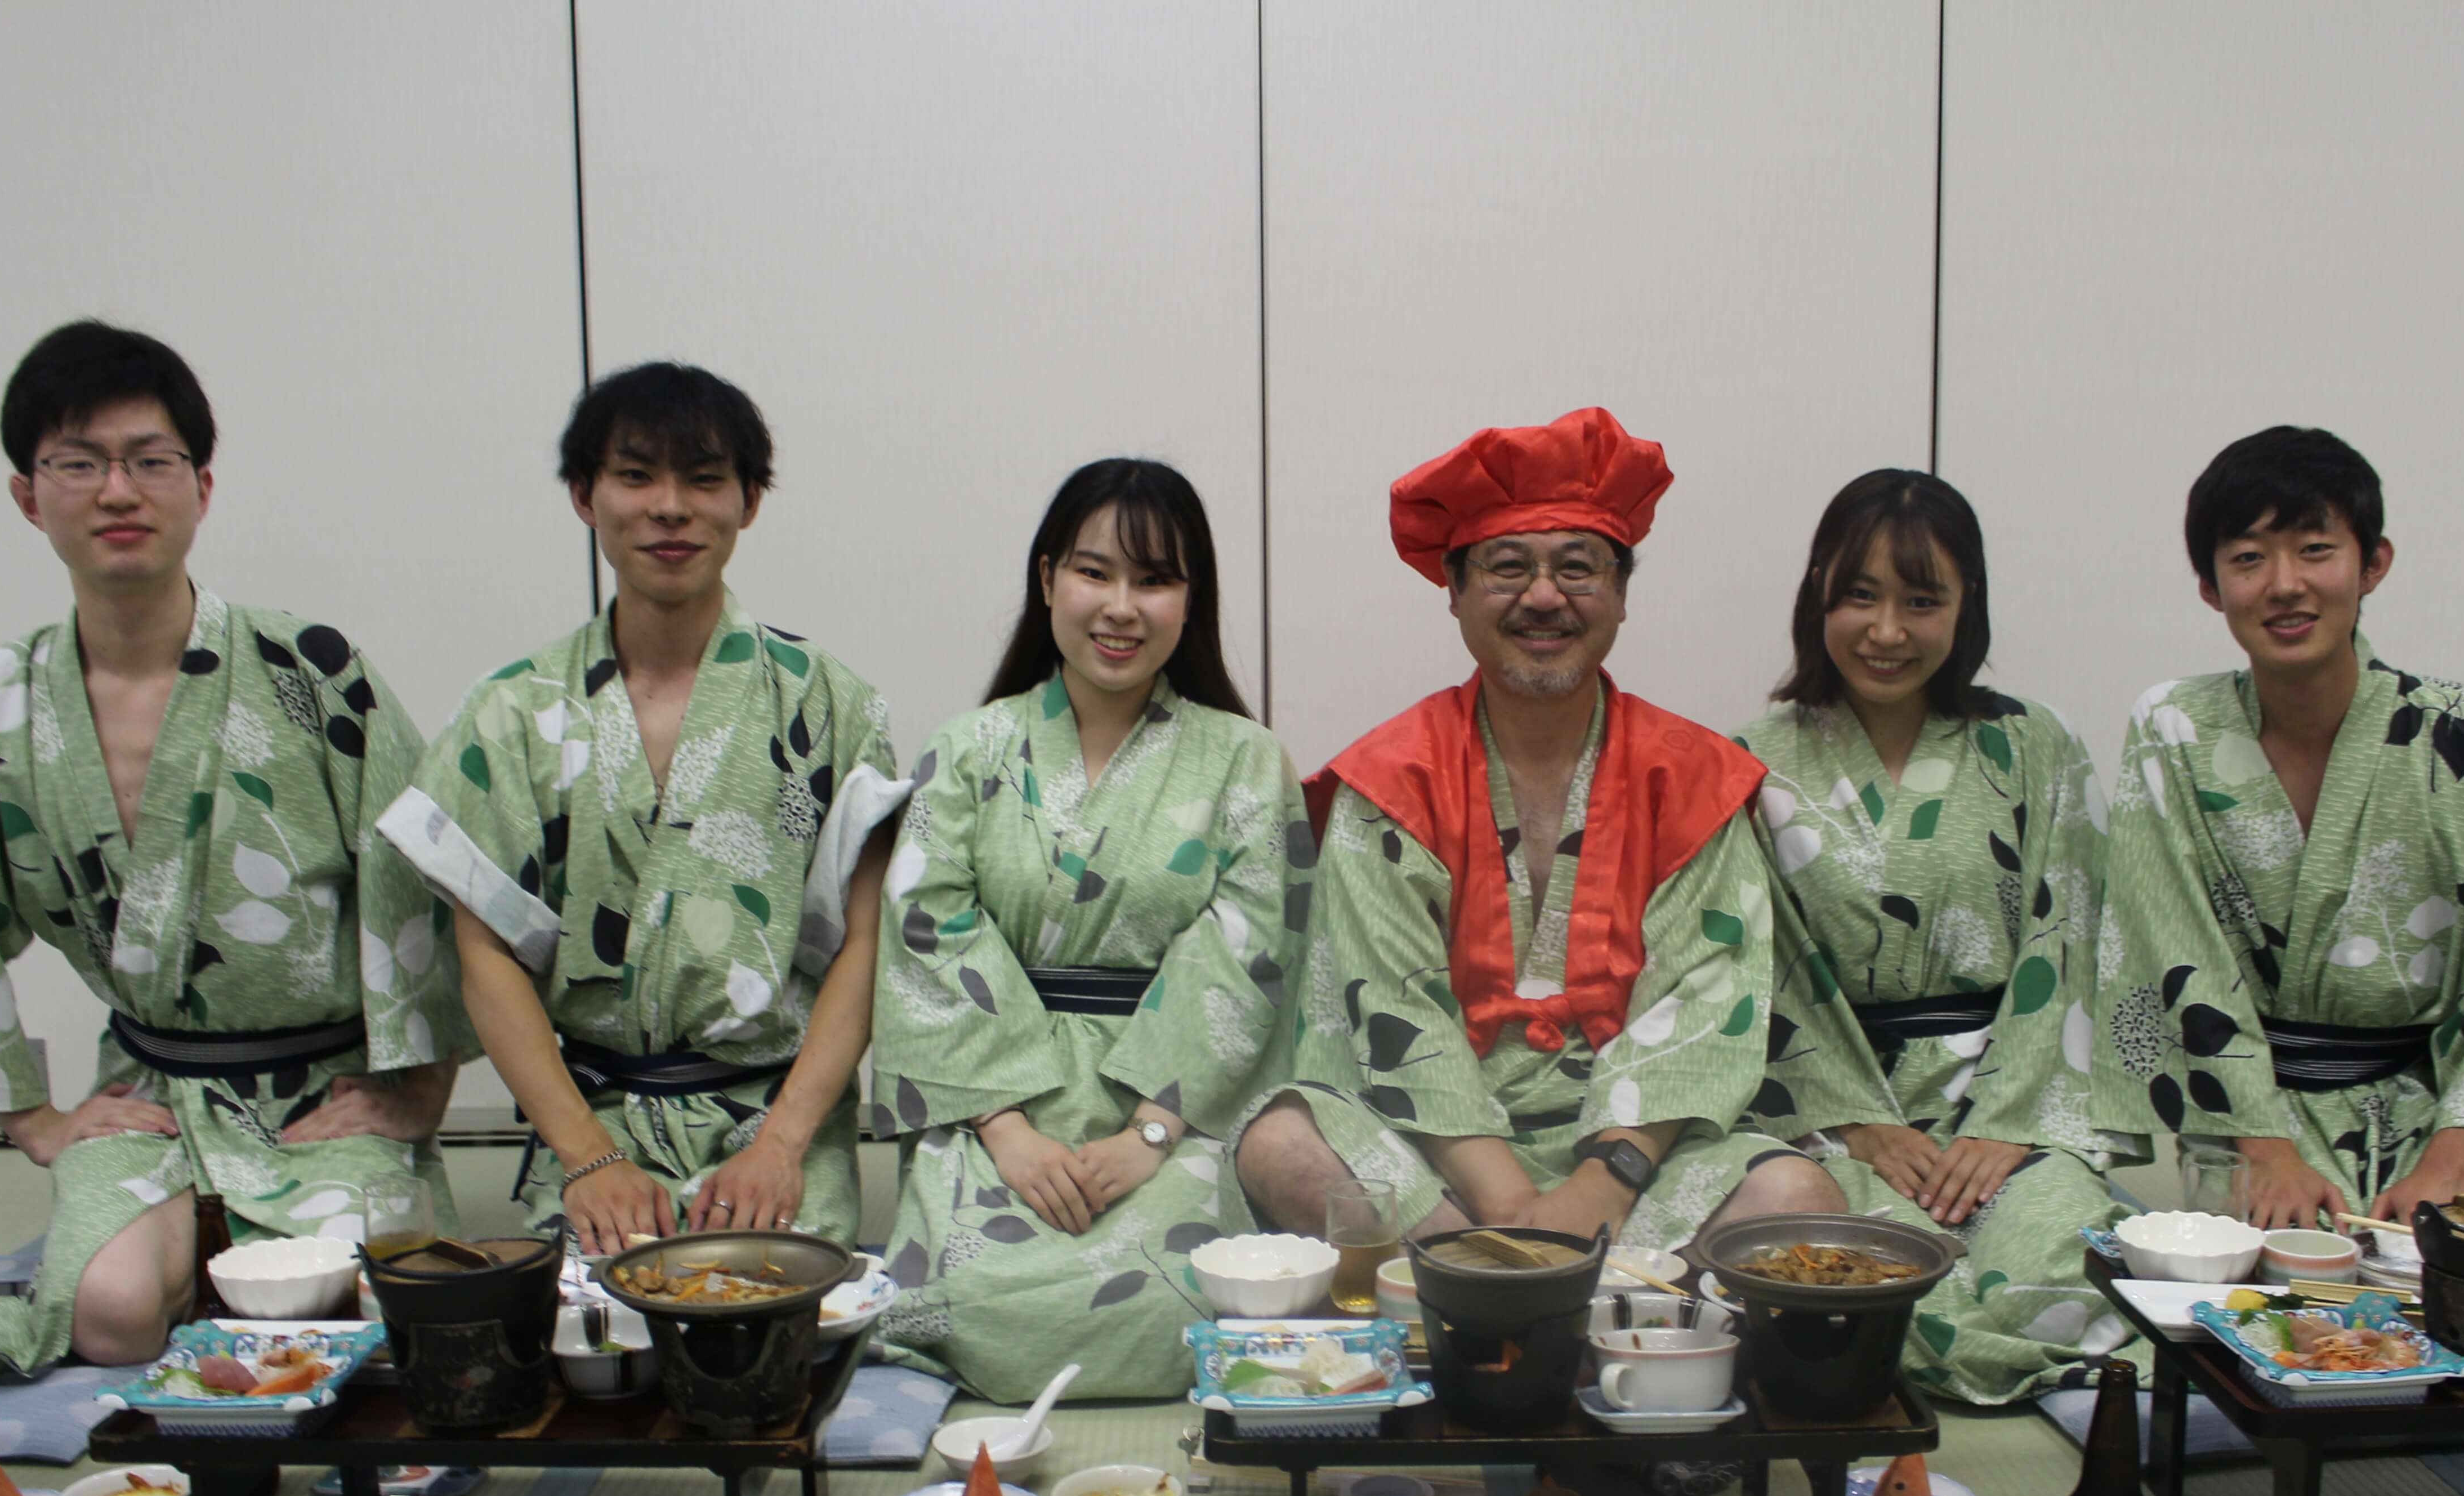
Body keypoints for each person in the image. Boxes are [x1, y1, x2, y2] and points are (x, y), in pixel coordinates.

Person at [0, 320, 463, 1377]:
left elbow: (423, 889)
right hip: (148, 1085)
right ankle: (188, 1244)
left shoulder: (310, 672)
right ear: (27, 497)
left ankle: (233, 1240)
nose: (117, 492)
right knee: (111, 1318)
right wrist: (33, 1118)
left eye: (149, 461)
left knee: (366, 1317)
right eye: (78, 464)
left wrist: (417, 1095)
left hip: (321, 1090)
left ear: (201, 487)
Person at [1234, 407, 1843, 1255]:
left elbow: (1709, 1000)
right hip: (1442, 1163)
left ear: (1623, 594)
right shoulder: (1393, 778)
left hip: (1631, 1161)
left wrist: (1598, 1189)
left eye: (1578, 569)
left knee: (1797, 1191)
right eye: (1508, 567)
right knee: (1280, 1145)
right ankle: (1537, 1288)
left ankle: (1470, 1293)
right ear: (1452, 593)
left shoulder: (1691, 777)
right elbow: (1390, 1003)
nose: (1545, 597)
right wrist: (1514, 1205)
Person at [375, 363, 906, 1254]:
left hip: (776, 1121)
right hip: (594, 1120)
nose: (670, 508)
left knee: (771, 1338)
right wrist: (586, 1158)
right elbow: (486, 952)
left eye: (704, 479)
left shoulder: (829, 703)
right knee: (595, 1345)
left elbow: (866, 943)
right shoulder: (511, 711)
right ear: (585, 497)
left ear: (750, 501)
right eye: (636, 476)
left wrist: (781, 1146)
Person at [2092, 426, 2464, 1227]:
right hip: (2250, 1126)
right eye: (2248, 559)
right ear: (2211, 587)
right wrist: (2269, 1151)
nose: (2284, 585)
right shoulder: (2174, 726)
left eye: (2315, 550)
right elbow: (2173, 950)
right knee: (2250, 1322)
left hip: (2436, 1125)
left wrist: (2451, 1166)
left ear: (2373, 564)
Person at [869, 460, 1305, 1400]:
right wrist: (1009, 1132)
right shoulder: (967, 748)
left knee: (1177, 1298)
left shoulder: (1246, 761)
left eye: (1155, 579)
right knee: (969, 1294)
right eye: (1094, 572)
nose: (1121, 606)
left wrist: (1146, 1138)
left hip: (1173, 1101)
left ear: (1193, 601)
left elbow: (1246, 956)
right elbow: (927, 934)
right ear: (1046, 580)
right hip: (992, 1095)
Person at [1738, 470, 2143, 1403]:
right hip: (1832, 1119)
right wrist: (1856, 1119)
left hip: (2003, 1107)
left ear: (1968, 608)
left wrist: (2011, 1123)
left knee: (2065, 1269)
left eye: (1924, 601)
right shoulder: (1749, 761)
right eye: (1861, 596)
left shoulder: (2037, 745)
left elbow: (2076, 940)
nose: (1889, 632)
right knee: (1850, 1277)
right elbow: (1749, 966)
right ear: (1818, 597)